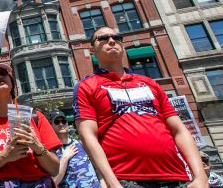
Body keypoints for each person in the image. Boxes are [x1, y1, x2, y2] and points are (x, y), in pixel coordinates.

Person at [75, 26, 207, 188]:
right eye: (103, 39)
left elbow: (179, 130)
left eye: (117, 37)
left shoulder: (150, 84)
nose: (111, 41)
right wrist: (112, 183)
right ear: (92, 49)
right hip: (126, 179)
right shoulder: (86, 86)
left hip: (176, 177)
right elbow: (88, 136)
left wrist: (201, 177)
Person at [48, 111, 100, 188]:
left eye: (63, 121)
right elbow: (54, 181)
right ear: (51, 126)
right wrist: (65, 158)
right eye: (57, 122)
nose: (61, 124)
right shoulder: (51, 151)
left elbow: (98, 168)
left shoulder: (81, 144)